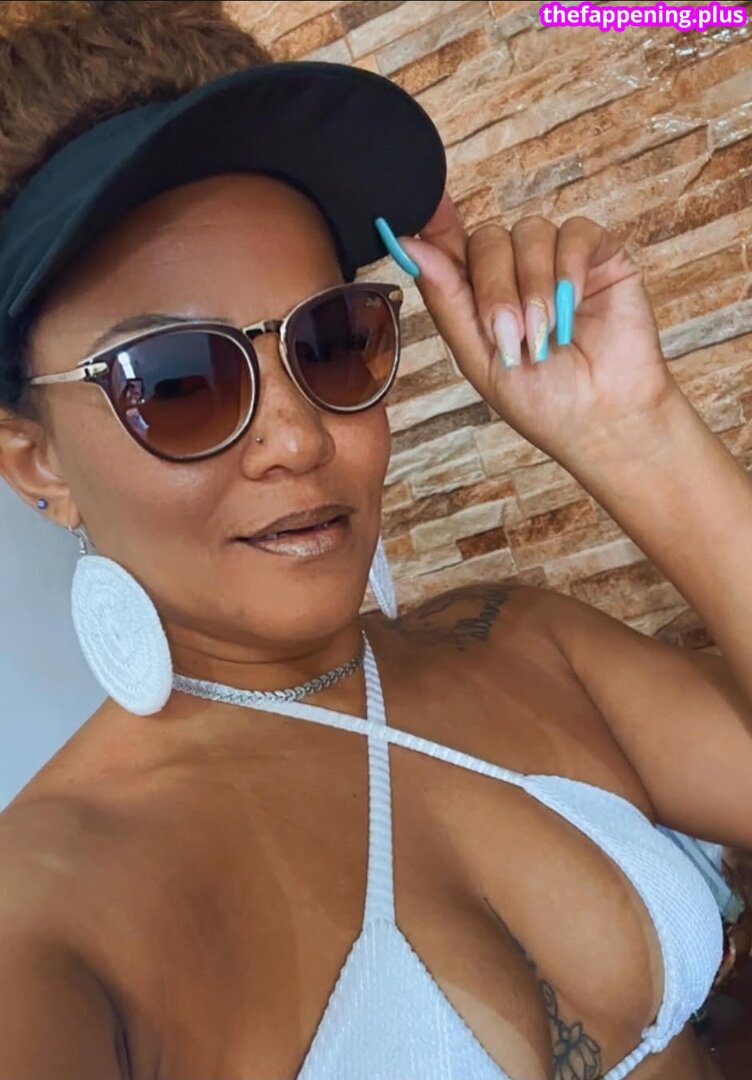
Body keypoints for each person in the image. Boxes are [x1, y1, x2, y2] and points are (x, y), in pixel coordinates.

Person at [0, 3, 749, 1079]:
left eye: (331, 342)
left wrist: (632, 434)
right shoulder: (55, 922)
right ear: (37, 463)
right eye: (175, 381)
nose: (297, 436)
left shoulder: (526, 645)